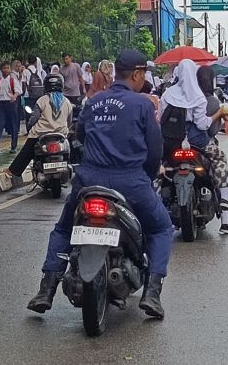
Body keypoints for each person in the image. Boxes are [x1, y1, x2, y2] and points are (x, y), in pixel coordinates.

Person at [28, 50, 173, 319]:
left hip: (88, 181)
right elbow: (155, 150)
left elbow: (79, 136)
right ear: (138, 74)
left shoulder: (93, 102)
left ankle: (46, 289)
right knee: (161, 227)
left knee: (63, 229)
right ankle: (152, 292)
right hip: (132, 182)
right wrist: (150, 174)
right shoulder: (142, 105)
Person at [195, 65, 228, 234]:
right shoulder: (212, 102)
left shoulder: (183, 97)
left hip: (177, 144)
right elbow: (211, 131)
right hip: (204, 144)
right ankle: (225, 221)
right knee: (220, 172)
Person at [6, 73, 72, 178]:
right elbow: (69, 121)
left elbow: (33, 119)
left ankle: (12, 171)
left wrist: (29, 127)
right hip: (60, 133)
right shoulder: (67, 102)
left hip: (41, 133)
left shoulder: (42, 100)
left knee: (27, 151)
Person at [0, 60, 20, 154]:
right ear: (1, 69)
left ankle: (13, 146)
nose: (6, 70)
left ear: (10, 69)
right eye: (4, 68)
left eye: (7, 68)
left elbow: (18, 91)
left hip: (11, 104)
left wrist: (13, 97)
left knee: (13, 125)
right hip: (1, 104)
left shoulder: (13, 80)